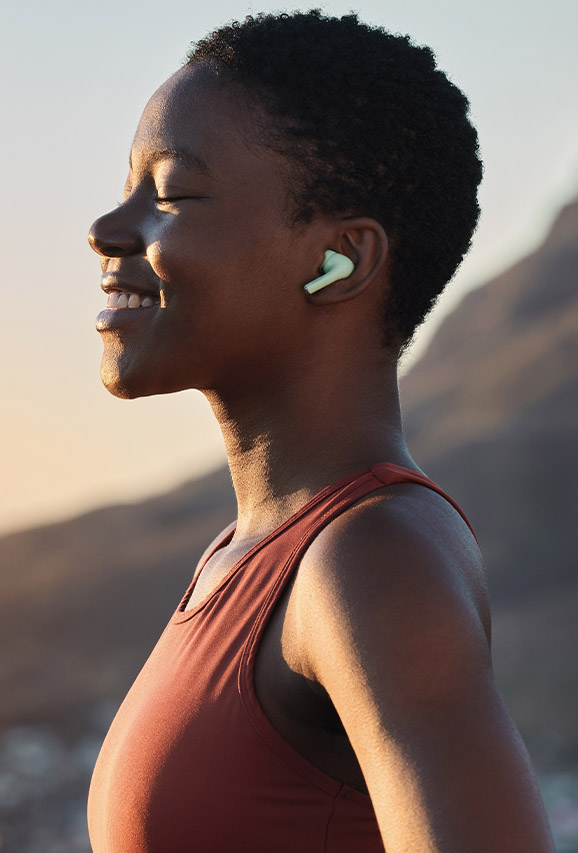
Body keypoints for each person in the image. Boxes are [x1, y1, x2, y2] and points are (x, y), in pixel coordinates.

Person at [86, 10, 555, 852]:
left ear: (339, 260)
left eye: (172, 194)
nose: (109, 229)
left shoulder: (371, 563)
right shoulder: (247, 554)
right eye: (127, 187)